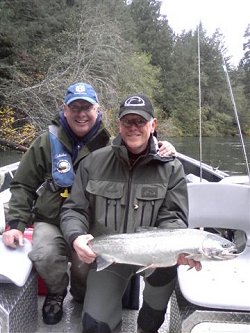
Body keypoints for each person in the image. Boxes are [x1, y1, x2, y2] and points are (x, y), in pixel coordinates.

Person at [1, 83, 176, 326]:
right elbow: (22, 185)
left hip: (92, 222)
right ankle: (56, 291)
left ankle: (83, 295)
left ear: (98, 110)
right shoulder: (45, 143)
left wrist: (160, 145)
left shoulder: (112, 144)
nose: (81, 113)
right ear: (65, 110)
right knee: (44, 253)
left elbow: (138, 150)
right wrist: (16, 224)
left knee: (86, 264)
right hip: (51, 218)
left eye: (87, 107)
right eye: (75, 107)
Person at [60, 93, 201, 333]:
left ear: (153, 125)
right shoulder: (93, 162)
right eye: (128, 122)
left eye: (141, 121)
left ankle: (146, 326)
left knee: (154, 315)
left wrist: (176, 248)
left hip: (156, 258)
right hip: (109, 254)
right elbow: (74, 209)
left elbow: (173, 217)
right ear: (119, 125)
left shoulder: (172, 168)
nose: (133, 127)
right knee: (95, 326)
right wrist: (76, 236)